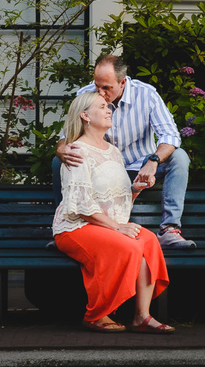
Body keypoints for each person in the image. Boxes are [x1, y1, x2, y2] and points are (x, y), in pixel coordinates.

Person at [52, 87, 172, 332]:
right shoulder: (76, 151)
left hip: (104, 225)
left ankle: (142, 317)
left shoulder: (114, 152)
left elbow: (117, 203)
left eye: (108, 107)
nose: (109, 111)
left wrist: (135, 189)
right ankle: (96, 315)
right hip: (76, 226)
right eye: (102, 107)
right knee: (128, 246)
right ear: (85, 116)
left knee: (148, 241)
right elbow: (83, 206)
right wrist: (117, 227)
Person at [57, 53, 195, 249]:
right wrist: (62, 150)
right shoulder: (87, 94)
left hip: (141, 168)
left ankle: (169, 228)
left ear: (122, 82)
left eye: (106, 88)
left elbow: (170, 136)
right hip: (104, 170)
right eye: (97, 85)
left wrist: (153, 161)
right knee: (60, 160)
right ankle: (68, 228)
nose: (100, 92)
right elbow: (67, 135)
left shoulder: (146, 94)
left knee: (179, 157)